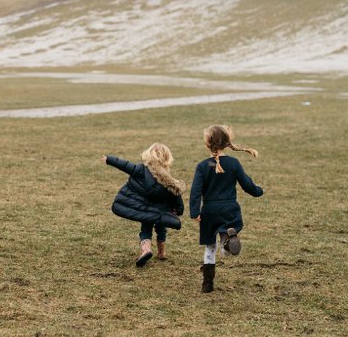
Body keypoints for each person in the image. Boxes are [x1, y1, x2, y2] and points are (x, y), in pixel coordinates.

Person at [190, 125, 264, 293]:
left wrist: (195, 212)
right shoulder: (233, 163)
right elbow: (247, 184)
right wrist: (259, 191)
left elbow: (195, 191)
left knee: (210, 248)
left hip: (209, 212)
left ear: (208, 143)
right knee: (225, 244)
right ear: (228, 143)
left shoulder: (203, 166)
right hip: (229, 208)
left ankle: (207, 284)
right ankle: (227, 244)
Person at [102, 143, 185, 267]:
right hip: (160, 211)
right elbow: (176, 196)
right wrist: (178, 210)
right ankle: (161, 252)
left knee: (146, 229)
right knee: (161, 228)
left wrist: (109, 159)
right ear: (167, 159)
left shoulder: (141, 170)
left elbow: (125, 165)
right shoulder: (168, 180)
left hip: (144, 210)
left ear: (148, 156)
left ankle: (146, 250)